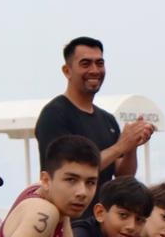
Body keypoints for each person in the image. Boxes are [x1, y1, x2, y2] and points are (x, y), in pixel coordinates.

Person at [34, 37, 155, 208]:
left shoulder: (108, 120)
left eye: (99, 63)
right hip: (67, 217)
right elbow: (70, 169)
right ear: (67, 71)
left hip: (99, 218)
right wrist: (120, 147)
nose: (94, 70)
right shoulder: (54, 114)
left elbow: (123, 176)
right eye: (85, 64)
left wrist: (131, 145)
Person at [0, 134, 99, 237]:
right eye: (71, 180)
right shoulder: (43, 212)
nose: (82, 192)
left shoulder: (57, 201)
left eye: (90, 182)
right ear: (46, 180)